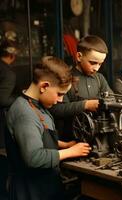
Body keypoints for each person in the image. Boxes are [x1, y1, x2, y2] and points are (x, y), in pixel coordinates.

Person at [5, 56, 91, 200]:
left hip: (45, 185)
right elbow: (34, 158)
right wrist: (70, 152)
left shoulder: (37, 105)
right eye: (59, 94)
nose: (60, 100)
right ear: (44, 86)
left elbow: (39, 138)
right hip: (30, 190)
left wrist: (64, 145)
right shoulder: (24, 113)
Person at [49, 35, 113, 140]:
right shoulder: (66, 79)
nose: (96, 68)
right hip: (73, 138)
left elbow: (111, 100)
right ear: (79, 56)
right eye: (93, 63)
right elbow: (56, 110)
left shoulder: (99, 78)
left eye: (100, 64)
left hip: (98, 138)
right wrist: (86, 105)